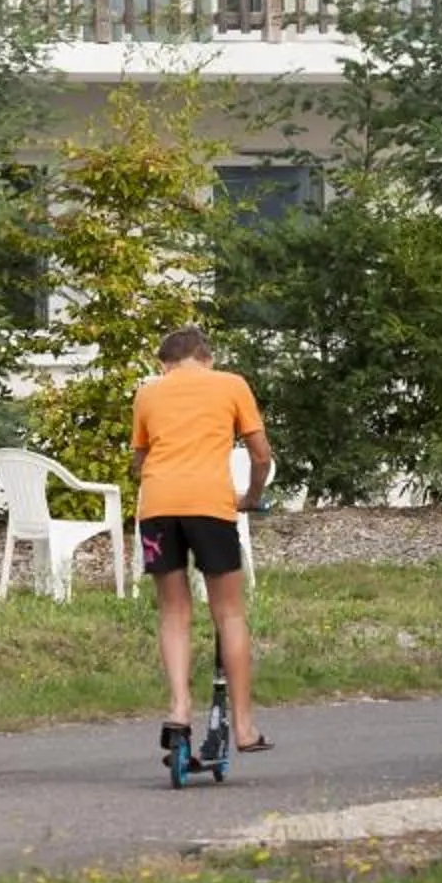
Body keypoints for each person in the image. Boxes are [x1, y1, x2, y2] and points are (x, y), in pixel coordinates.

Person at [130, 326, 273, 765]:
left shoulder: (147, 393)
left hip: (157, 508)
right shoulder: (231, 384)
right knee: (229, 614)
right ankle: (244, 726)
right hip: (211, 505)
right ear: (207, 357)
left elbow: (139, 461)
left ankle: (178, 708)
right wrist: (250, 497)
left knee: (173, 612)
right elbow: (261, 455)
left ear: (164, 364)